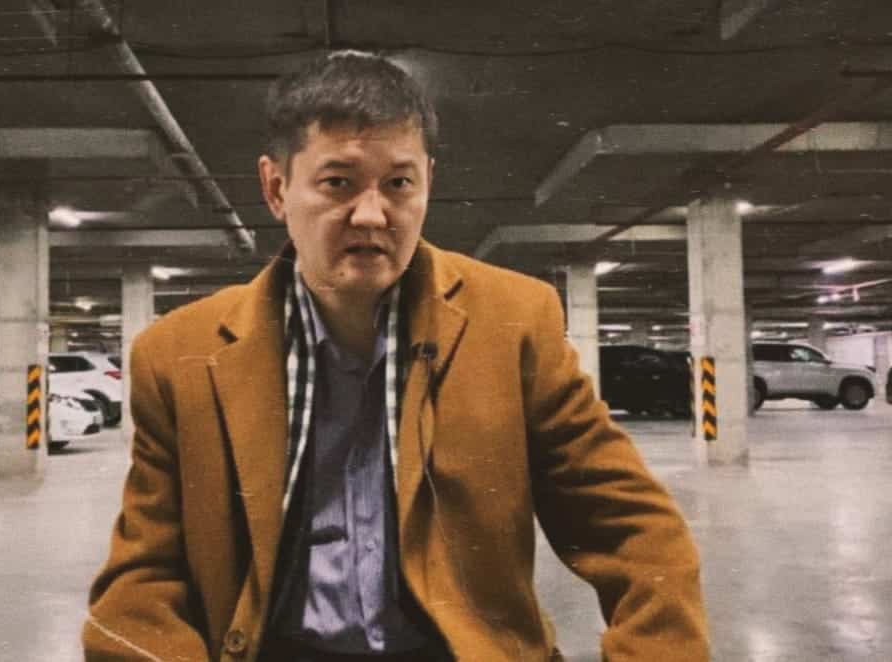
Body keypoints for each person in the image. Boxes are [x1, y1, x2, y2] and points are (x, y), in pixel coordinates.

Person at [82, 50, 709, 662]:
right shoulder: (179, 356)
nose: (371, 213)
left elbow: (634, 530)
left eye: (399, 183)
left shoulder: (514, 321)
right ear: (276, 188)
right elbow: (142, 580)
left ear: (427, 182)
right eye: (338, 183)